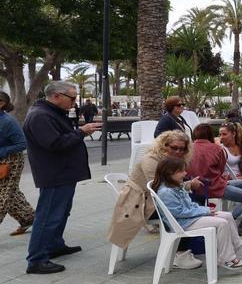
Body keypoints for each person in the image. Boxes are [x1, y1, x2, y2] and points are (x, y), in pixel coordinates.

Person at [23, 81, 102, 274]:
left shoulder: (51, 113)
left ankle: (55, 245)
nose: (75, 103)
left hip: (63, 173)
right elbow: (55, 144)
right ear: (57, 96)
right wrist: (81, 132)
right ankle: (37, 259)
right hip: (54, 174)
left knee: (61, 212)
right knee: (48, 215)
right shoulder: (40, 116)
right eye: (72, 98)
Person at [107, 130, 206, 269]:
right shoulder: (151, 160)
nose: (178, 151)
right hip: (140, 204)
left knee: (196, 201)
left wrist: (188, 185)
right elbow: (158, 188)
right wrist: (188, 185)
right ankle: (180, 253)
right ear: (164, 145)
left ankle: (189, 244)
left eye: (182, 149)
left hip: (151, 199)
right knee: (179, 211)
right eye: (174, 147)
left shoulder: (172, 160)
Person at [152, 157, 242, 270]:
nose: (185, 173)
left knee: (227, 216)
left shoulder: (175, 186)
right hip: (182, 223)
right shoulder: (166, 192)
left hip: (189, 218)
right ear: (170, 173)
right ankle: (226, 259)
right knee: (222, 223)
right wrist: (205, 211)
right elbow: (179, 212)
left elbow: (189, 205)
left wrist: (204, 210)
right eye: (181, 171)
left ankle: (238, 246)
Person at [188, 123, 242, 229]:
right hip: (213, 187)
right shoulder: (216, 149)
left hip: (195, 187)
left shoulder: (188, 149)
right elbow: (220, 170)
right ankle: (229, 221)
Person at [0, 92, 35, 236]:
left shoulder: (8, 121)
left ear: (1, 103)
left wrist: (1, 151)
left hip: (10, 162)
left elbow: (22, 144)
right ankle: (29, 218)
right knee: (12, 194)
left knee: (3, 195)